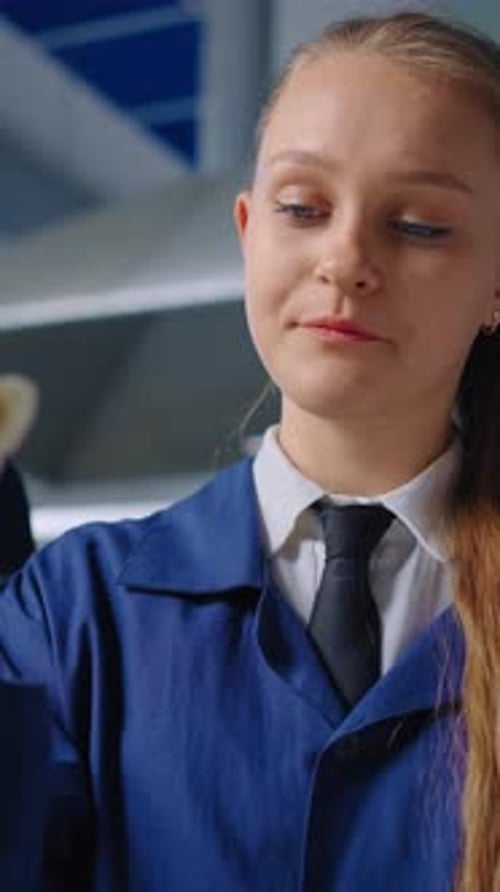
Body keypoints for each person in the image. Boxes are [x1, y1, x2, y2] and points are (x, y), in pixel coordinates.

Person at [0, 10, 498, 891]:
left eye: (418, 225)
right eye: (303, 208)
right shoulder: (65, 615)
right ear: (246, 231)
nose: (344, 260)